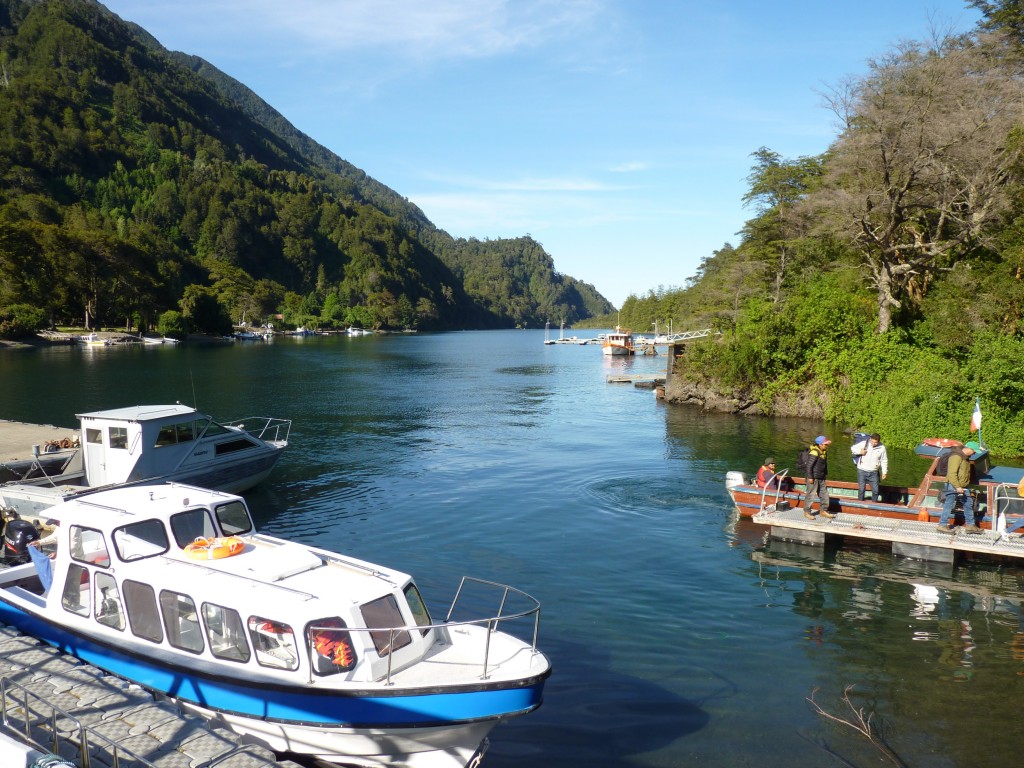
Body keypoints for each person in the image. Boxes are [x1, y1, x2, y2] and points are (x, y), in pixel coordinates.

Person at [937, 445, 978, 533]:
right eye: (974, 451)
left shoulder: (965, 457)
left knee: (968, 503)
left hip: (962, 485)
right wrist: (957, 486)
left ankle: (970, 525)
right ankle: (942, 525)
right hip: (953, 485)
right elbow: (951, 473)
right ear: (969, 448)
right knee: (949, 503)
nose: (974, 453)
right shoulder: (956, 456)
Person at [803, 436, 836, 520]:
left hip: (821, 477)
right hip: (813, 477)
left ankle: (823, 511)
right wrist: (810, 477)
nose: (826, 445)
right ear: (820, 444)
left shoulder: (823, 451)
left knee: (824, 494)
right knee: (811, 495)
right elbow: (809, 466)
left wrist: (824, 475)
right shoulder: (814, 452)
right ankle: (807, 512)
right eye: (825, 444)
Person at [852, 433, 888, 501]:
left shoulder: (882, 448)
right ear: (870, 439)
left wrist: (884, 472)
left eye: (876, 442)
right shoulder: (864, 443)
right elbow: (853, 449)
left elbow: (884, 460)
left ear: (879, 441)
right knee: (861, 489)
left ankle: (874, 505)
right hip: (861, 470)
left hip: (874, 472)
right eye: (872, 441)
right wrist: (860, 451)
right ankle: (860, 503)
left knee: (875, 491)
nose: (874, 443)